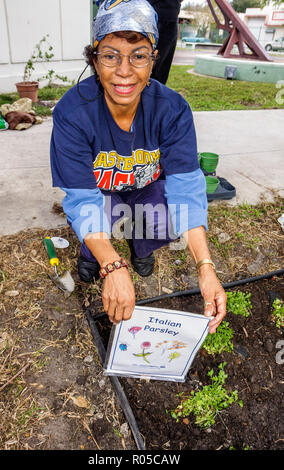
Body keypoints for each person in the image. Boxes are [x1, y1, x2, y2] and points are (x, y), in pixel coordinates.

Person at [50, 0, 227, 333]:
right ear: (94, 60)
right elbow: (82, 197)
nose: (124, 70)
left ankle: (141, 250)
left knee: (163, 214)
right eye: (110, 55)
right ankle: (94, 260)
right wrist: (113, 266)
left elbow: (186, 189)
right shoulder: (72, 113)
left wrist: (205, 267)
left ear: (153, 60)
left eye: (139, 55)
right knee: (96, 224)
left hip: (146, 187)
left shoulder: (173, 110)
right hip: (101, 192)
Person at [148, 0, 181, 84]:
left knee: (162, 72)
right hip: (152, 16)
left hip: (172, 17)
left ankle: (156, 95)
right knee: (148, 69)